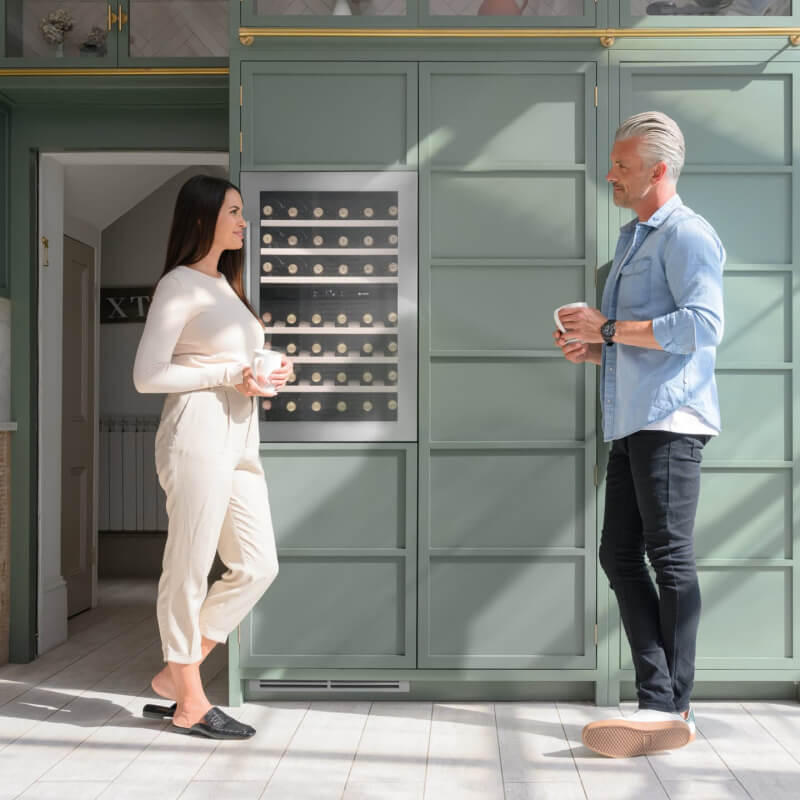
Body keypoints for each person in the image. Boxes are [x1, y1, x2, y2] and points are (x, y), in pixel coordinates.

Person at [554, 112, 724, 758]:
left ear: (657, 170)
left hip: (672, 421)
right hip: (631, 421)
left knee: (669, 555)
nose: (611, 174)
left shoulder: (688, 235)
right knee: (619, 556)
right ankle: (658, 696)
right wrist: (594, 349)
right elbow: (641, 339)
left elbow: (702, 327)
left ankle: (673, 703)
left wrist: (606, 331)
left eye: (622, 166)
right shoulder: (632, 238)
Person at [133, 174, 291, 739]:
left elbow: (234, 361)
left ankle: (178, 676)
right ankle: (191, 701)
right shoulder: (178, 285)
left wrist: (266, 370)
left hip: (241, 433)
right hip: (196, 431)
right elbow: (147, 376)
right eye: (233, 211)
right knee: (190, 565)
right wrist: (231, 372)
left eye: (242, 212)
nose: (243, 221)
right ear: (202, 218)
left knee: (257, 564)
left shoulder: (227, 286)